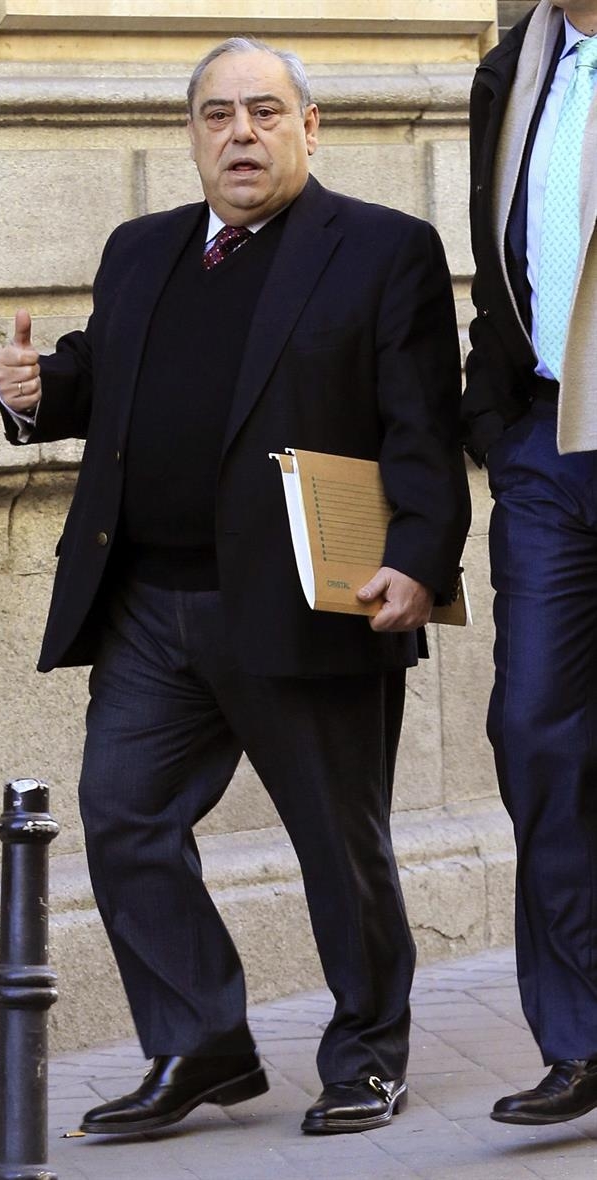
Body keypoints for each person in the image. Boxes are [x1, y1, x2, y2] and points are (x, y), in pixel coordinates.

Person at [0, 38, 469, 1138]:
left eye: (265, 111)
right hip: (147, 605)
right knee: (123, 815)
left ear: (311, 126)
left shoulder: (382, 249)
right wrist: (38, 389)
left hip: (304, 597)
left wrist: (419, 555)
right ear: (193, 134)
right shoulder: (141, 249)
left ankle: (367, 1054)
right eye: (218, 114)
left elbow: (422, 422)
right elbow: (106, 377)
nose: (240, 133)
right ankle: (202, 1041)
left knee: (339, 842)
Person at [463, 0, 597, 1126]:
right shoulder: (513, 70)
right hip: (548, 444)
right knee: (535, 732)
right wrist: (493, 423)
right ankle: (582, 1035)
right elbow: (496, 262)